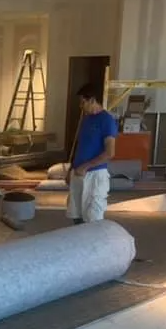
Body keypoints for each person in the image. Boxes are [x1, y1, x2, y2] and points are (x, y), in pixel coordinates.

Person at [66, 84, 118, 224]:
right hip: (78, 172)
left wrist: (86, 166)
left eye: (83, 102)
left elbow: (110, 152)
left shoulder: (106, 120)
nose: (81, 106)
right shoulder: (86, 120)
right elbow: (80, 147)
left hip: (95, 175)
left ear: (92, 100)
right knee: (76, 214)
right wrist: (71, 169)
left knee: (92, 216)